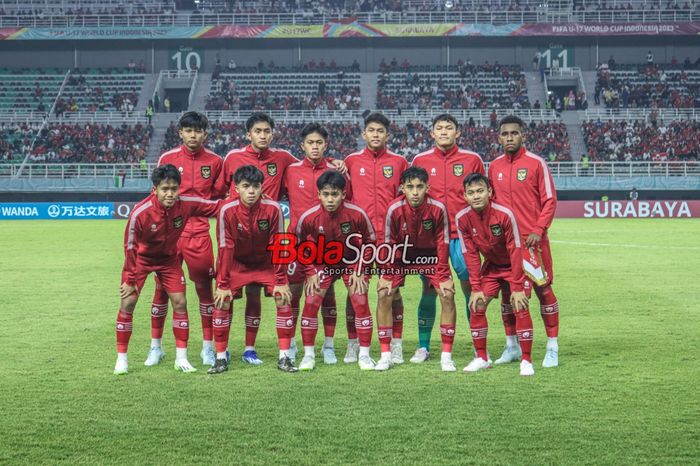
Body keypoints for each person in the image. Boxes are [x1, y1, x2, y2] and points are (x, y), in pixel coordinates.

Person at [214, 113, 345, 365]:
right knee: (233, 295)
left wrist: (334, 163)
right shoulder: (232, 158)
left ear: (272, 133)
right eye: (257, 131)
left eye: (266, 131)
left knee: (320, 292)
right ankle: (220, 350)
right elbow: (220, 189)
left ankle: (289, 348)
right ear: (248, 134)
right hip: (242, 234)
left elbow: (312, 161)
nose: (262, 135)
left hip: (276, 242)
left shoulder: (284, 159)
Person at [114, 164, 221, 375]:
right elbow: (130, 246)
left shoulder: (186, 205)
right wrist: (129, 278)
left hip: (169, 260)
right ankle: (122, 359)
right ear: (155, 189)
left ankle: (181, 358)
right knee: (128, 302)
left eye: (174, 188)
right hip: (142, 261)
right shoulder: (140, 212)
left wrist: (241, 198)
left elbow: (215, 207)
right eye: (165, 189)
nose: (170, 194)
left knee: (180, 302)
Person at [146, 112, 224, 368]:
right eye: (188, 130)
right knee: (161, 289)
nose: (193, 135)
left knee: (204, 291)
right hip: (169, 234)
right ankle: (155, 347)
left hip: (198, 233)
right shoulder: (167, 159)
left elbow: (218, 196)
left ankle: (207, 348)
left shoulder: (214, 161)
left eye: (198, 130)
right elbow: (155, 195)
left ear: (205, 133)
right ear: (180, 132)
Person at [410, 113, 485, 363]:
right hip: (429, 239)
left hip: (462, 237)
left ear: (458, 133)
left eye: (449, 128)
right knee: (429, 289)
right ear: (432, 133)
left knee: (469, 289)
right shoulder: (420, 159)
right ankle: (423, 346)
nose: (444, 132)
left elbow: (483, 197)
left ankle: (478, 344)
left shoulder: (472, 159)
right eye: (439, 128)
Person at [208, 165, 297, 374]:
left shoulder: (273, 208)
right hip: (237, 263)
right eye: (246, 186)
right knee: (222, 300)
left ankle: (285, 357)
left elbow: (280, 245)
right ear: (236, 188)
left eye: (255, 186)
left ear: (261, 187)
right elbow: (225, 248)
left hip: (265, 263)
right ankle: (220, 357)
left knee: (283, 297)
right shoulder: (226, 211)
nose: (251, 191)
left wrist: (281, 281)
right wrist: (222, 284)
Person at [487, 115, 560, 368]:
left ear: (523, 135)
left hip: (532, 242)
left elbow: (550, 200)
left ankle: (552, 347)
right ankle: (512, 346)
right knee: (509, 294)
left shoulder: (536, 163)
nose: (509, 138)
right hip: (506, 245)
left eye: (514, 133)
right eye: (505, 134)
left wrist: (539, 230)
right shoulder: (494, 166)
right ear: (499, 138)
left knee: (543, 290)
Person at [283, 123, 353, 364]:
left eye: (319, 142)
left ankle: (329, 345)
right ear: (302, 146)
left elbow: (348, 202)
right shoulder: (290, 170)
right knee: (293, 293)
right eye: (310, 143)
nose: (315, 146)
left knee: (326, 293)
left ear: (326, 145)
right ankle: (291, 344)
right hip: (297, 241)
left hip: (328, 243)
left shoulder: (337, 171)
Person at [377, 167, 456, 372]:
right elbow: (388, 243)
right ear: (402, 188)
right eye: (410, 187)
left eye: (419, 187)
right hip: (401, 257)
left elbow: (443, 243)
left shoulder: (438, 208)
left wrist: (444, 275)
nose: (415, 192)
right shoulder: (394, 209)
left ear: (427, 187)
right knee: (384, 294)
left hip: (429, 257)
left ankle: (446, 356)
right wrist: (387, 274)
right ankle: (387, 354)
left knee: (447, 295)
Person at [295, 171, 377, 371]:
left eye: (335, 194)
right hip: (322, 263)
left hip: (352, 261)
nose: (330, 199)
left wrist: (360, 269)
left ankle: (364, 355)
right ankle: (308, 355)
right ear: (318, 195)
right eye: (325, 194)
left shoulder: (357, 214)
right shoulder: (309, 217)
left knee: (359, 298)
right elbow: (299, 244)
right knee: (312, 300)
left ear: (343, 194)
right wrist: (310, 272)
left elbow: (370, 242)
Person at [344, 112, 408, 364]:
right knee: (355, 291)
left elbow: (407, 198)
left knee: (392, 292)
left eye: (380, 131)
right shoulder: (350, 161)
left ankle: (396, 344)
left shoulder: (400, 162)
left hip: (390, 240)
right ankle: (352, 344)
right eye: (371, 130)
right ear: (364, 134)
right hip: (358, 241)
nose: (376, 135)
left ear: (387, 135)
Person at [456, 173, 535, 376]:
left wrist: (517, 287)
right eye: (471, 193)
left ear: (489, 192)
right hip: (492, 267)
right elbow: (471, 255)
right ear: (464, 196)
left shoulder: (504, 214)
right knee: (476, 305)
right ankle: (481, 357)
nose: (476, 196)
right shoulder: (462, 219)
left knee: (519, 304)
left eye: (480, 191)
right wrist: (475, 288)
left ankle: (526, 360)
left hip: (515, 266)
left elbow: (515, 249)